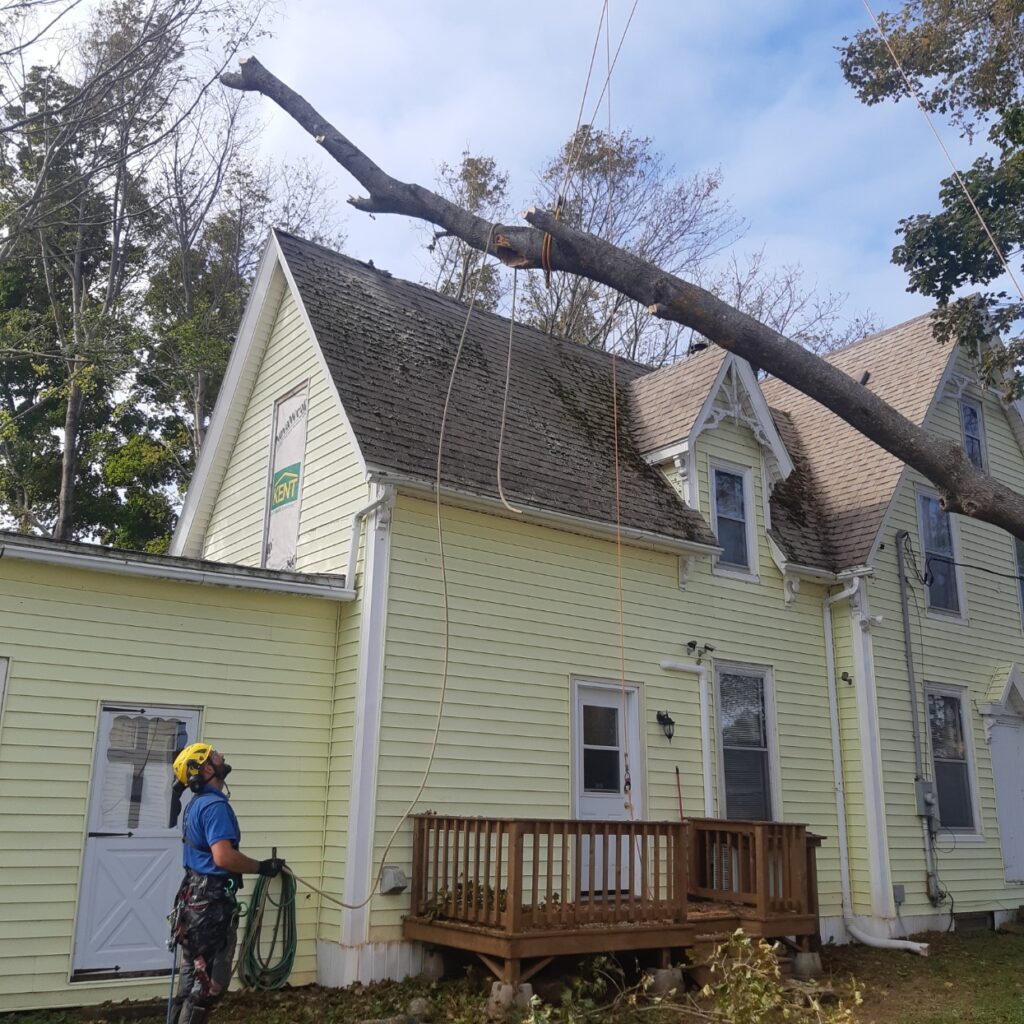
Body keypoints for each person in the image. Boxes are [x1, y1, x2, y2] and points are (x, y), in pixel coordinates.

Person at [169, 742, 284, 1024]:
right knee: (207, 988)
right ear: (207, 768)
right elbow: (223, 857)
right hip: (210, 909)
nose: (222, 756)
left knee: (190, 985)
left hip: (194, 904)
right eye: (215, 754)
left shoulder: (197, 805)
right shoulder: (214, 807)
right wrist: (261, 867)